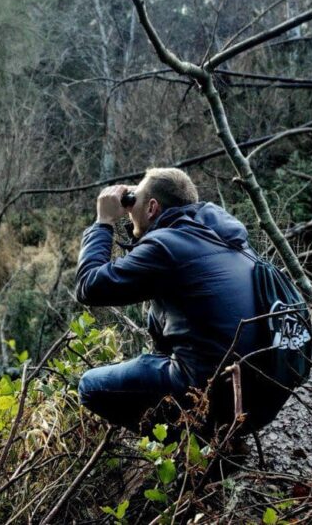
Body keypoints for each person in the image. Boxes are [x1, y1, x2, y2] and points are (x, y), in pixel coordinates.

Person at [74, 167, 261, 432]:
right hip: (257, 395)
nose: (129, 208)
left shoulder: (166, 247)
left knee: (90, 387)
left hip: (210, 399)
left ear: (152, 207)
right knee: (161, 312)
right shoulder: (223, 234)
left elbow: (89, 287)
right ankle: (216, 433)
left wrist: (103, 222)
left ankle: (188, 444)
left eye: (134, 201)